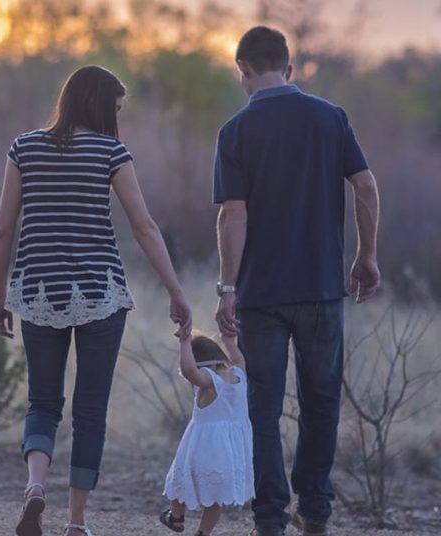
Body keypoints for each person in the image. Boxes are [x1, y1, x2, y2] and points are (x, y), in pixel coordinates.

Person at [0, 65, 191, 536]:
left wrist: (0, 297)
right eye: (116, 109)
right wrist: (176, 291)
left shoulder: (24, 148)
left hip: (38, 291)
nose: (117, 118)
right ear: (101, 106)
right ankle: (76, 521)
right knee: (90, 410)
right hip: (101, 293)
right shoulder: (110, 151)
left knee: (42, 402)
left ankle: (35, 486)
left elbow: (2, 229)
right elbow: (144, 227)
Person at [212, 26, 381, 536]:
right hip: (321, 290)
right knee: (321, 402)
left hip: (260, 295)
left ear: (242, 69)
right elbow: (366, 186)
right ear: (289, 68)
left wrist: (227, 288)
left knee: (261, 408)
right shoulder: (331, 118)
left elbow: (233, 215)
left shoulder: (235, 130)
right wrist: (366, 256)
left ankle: (270, 519)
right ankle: (315, 511)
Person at [160, 331, 255, 536]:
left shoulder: (209, 382)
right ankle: (203, 532)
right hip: (230, 452)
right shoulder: (239, 375)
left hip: (203, 447)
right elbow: (239, 360)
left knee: (179, 481)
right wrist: (229, 342)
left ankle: (176, 517)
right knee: (215, 499)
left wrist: (185, 343)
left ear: (199, 363)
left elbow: (189, 370)